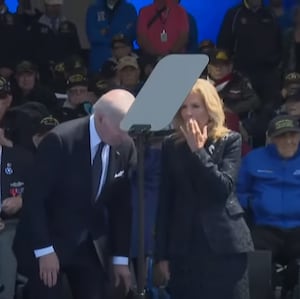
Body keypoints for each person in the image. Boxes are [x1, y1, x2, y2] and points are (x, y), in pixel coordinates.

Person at [13, 89, 136, 299]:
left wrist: (120, 258)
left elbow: (122, 206)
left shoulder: (124, 146)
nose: (125, 135)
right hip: (50, 239)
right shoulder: (60, 140)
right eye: (121, 128)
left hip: (91, 245)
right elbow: (34, 199)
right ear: (100, 118)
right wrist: (44, 250)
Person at [155, 79, 254, 299]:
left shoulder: (230, 140)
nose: (188, 113)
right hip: (184, 245)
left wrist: (199, 152)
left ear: (210, 109)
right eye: (183, 107)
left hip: (224, 244)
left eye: (195, 106)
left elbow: (222, 188)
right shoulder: (171, 145)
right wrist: (162, 254)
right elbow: (165, 200)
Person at [237, 114, 300, 298]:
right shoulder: (254, 159)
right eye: (282, 136)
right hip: (265, 227)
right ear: (271, 139)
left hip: (298, 228)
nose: (289, 140)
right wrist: (251, 204)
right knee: (255, 271)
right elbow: (239, 191)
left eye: (293, 135)